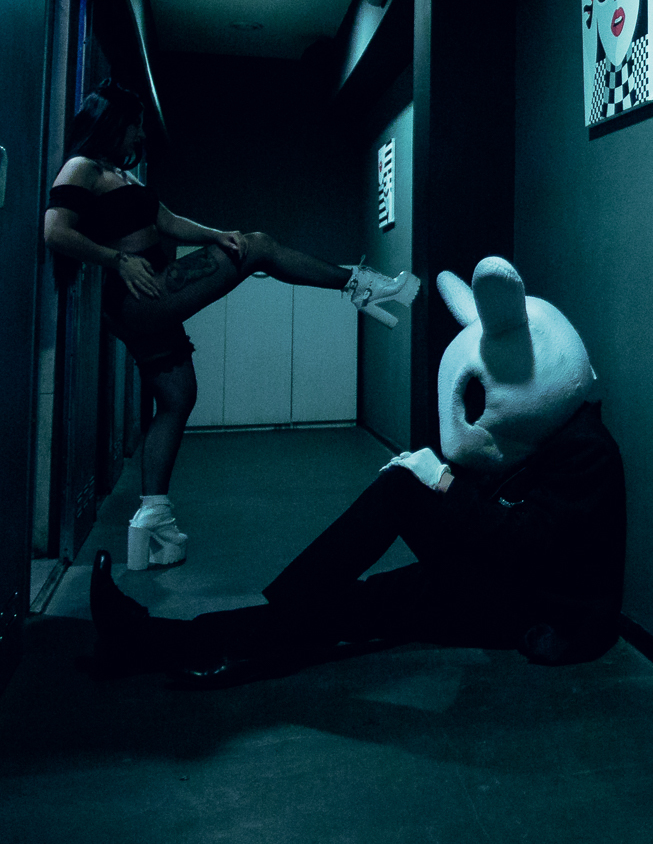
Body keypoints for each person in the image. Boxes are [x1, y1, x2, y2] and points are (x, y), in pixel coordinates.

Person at [88, 256, 626, 681]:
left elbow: (525, 545)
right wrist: (438, 482)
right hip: (503, 584)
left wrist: (440, 483)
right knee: (354, 602)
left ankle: (223, 631)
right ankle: (172, 642)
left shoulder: (586, 451)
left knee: (391, 516)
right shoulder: (550, 433)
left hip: (530, 608)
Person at [43, 80, 418, 571]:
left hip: (149, 299)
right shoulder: (82, 167)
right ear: (111, 122)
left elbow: (168, 221)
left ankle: (154, 522)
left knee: (178, 397)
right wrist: (118, 261)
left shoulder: (120, 174)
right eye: (135, 125)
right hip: (141, 296)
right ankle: (360, 284)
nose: (139, 134)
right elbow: (55, 231)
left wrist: (217, 234)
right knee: (259, 245)